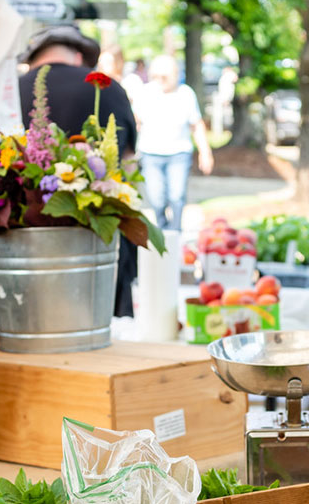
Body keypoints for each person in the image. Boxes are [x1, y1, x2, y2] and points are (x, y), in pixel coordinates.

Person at [17, 23, 141, 316]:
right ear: (78, 57)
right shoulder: (108, 88)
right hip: (99, 231)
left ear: (34, 58)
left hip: (26, 239)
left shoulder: (13, 88)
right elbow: (129, 161)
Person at [132, 56, 215, 234]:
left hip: (179, 154)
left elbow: (196, 124)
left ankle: (175, 233)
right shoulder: (146, 93)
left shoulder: (185, 93)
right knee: (156, 198)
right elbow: (135, 122)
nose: (161, 80)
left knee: (177, 197)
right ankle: (163, 230)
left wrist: (205, 152)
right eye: (158, 76)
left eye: (166, 76)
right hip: (150, 154)